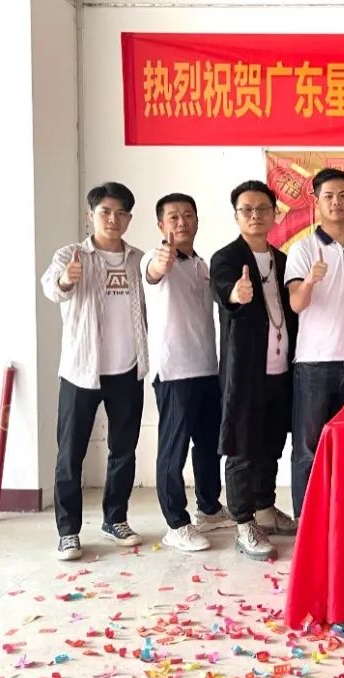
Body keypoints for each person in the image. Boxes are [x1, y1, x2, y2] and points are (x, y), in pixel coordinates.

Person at [40, 182, 147, 561]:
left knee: (124, 451)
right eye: (105, 212)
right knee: (70, 455)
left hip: (127, 370)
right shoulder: (71, 255)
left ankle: (115, 519)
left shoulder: (137, 260)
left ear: (129, 218)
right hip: (81, 372)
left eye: (121, 213)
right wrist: (67, 279)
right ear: (91, 215)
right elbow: (52, 288)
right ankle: (68, 531)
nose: (113, 219)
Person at [141, 193, 233, 553]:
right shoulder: (156, 258)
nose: (182, 222)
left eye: (188, 216)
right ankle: (175, 524)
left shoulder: (201, 264)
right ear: (161, 225)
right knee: (173, 449)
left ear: (197, 220)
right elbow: (153, 272)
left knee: (209, 446)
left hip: (207, 367)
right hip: (174, 370)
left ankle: (209, 508)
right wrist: (161, 261)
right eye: (173, 217)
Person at [210, 180, 298, 560]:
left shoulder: (283, 260)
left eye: (263, 208)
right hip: (245, 373)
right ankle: (243, 522)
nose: (256, 215)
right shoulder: (227, 258)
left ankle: (265, 508)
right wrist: (236, 293)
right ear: (236, 216)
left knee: (271, 444)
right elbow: (224, 289)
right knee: (242, 449)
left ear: (274, 214)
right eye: (247, 209)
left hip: (281, 370)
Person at [286, 168, 344, 516]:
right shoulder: (303, 249)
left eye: (343, 196)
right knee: (308, 448)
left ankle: (342, 515)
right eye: (328, 196)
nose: (336, 202)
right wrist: (310, 281)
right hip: (314, 364)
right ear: (316, 201)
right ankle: (305, 519)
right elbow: (296, 304)